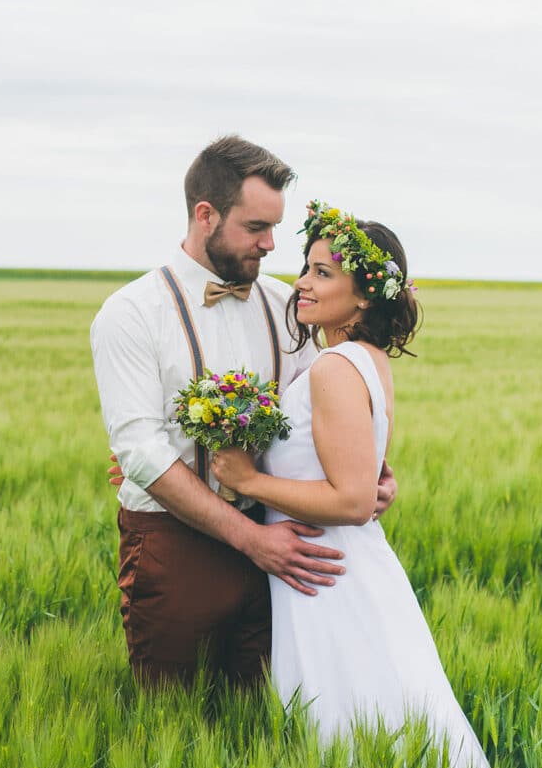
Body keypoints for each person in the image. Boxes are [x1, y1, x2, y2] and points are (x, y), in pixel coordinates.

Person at [91, 137, 398, 688]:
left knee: (268, 713)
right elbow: (142, 454)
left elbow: (328, 416)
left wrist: (374, 474)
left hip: (286, 546)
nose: (271, 244)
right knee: (172, 717)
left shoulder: (288, 304)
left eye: (275, 228)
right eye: (256, 227)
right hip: (174, 544)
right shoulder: (131, 314)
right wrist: (249, 539)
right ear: (205, 216)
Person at [210, 202, 498, 768]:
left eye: (323, 274)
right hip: (344, 566)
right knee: (388, 715)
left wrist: (246, 481)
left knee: (350, 723)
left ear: (365, 295)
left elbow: (352, 500)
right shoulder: (366, 359)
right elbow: (366, 478)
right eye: (305, 268)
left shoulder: (333, 367)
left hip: (326, 573)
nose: (302, 284)